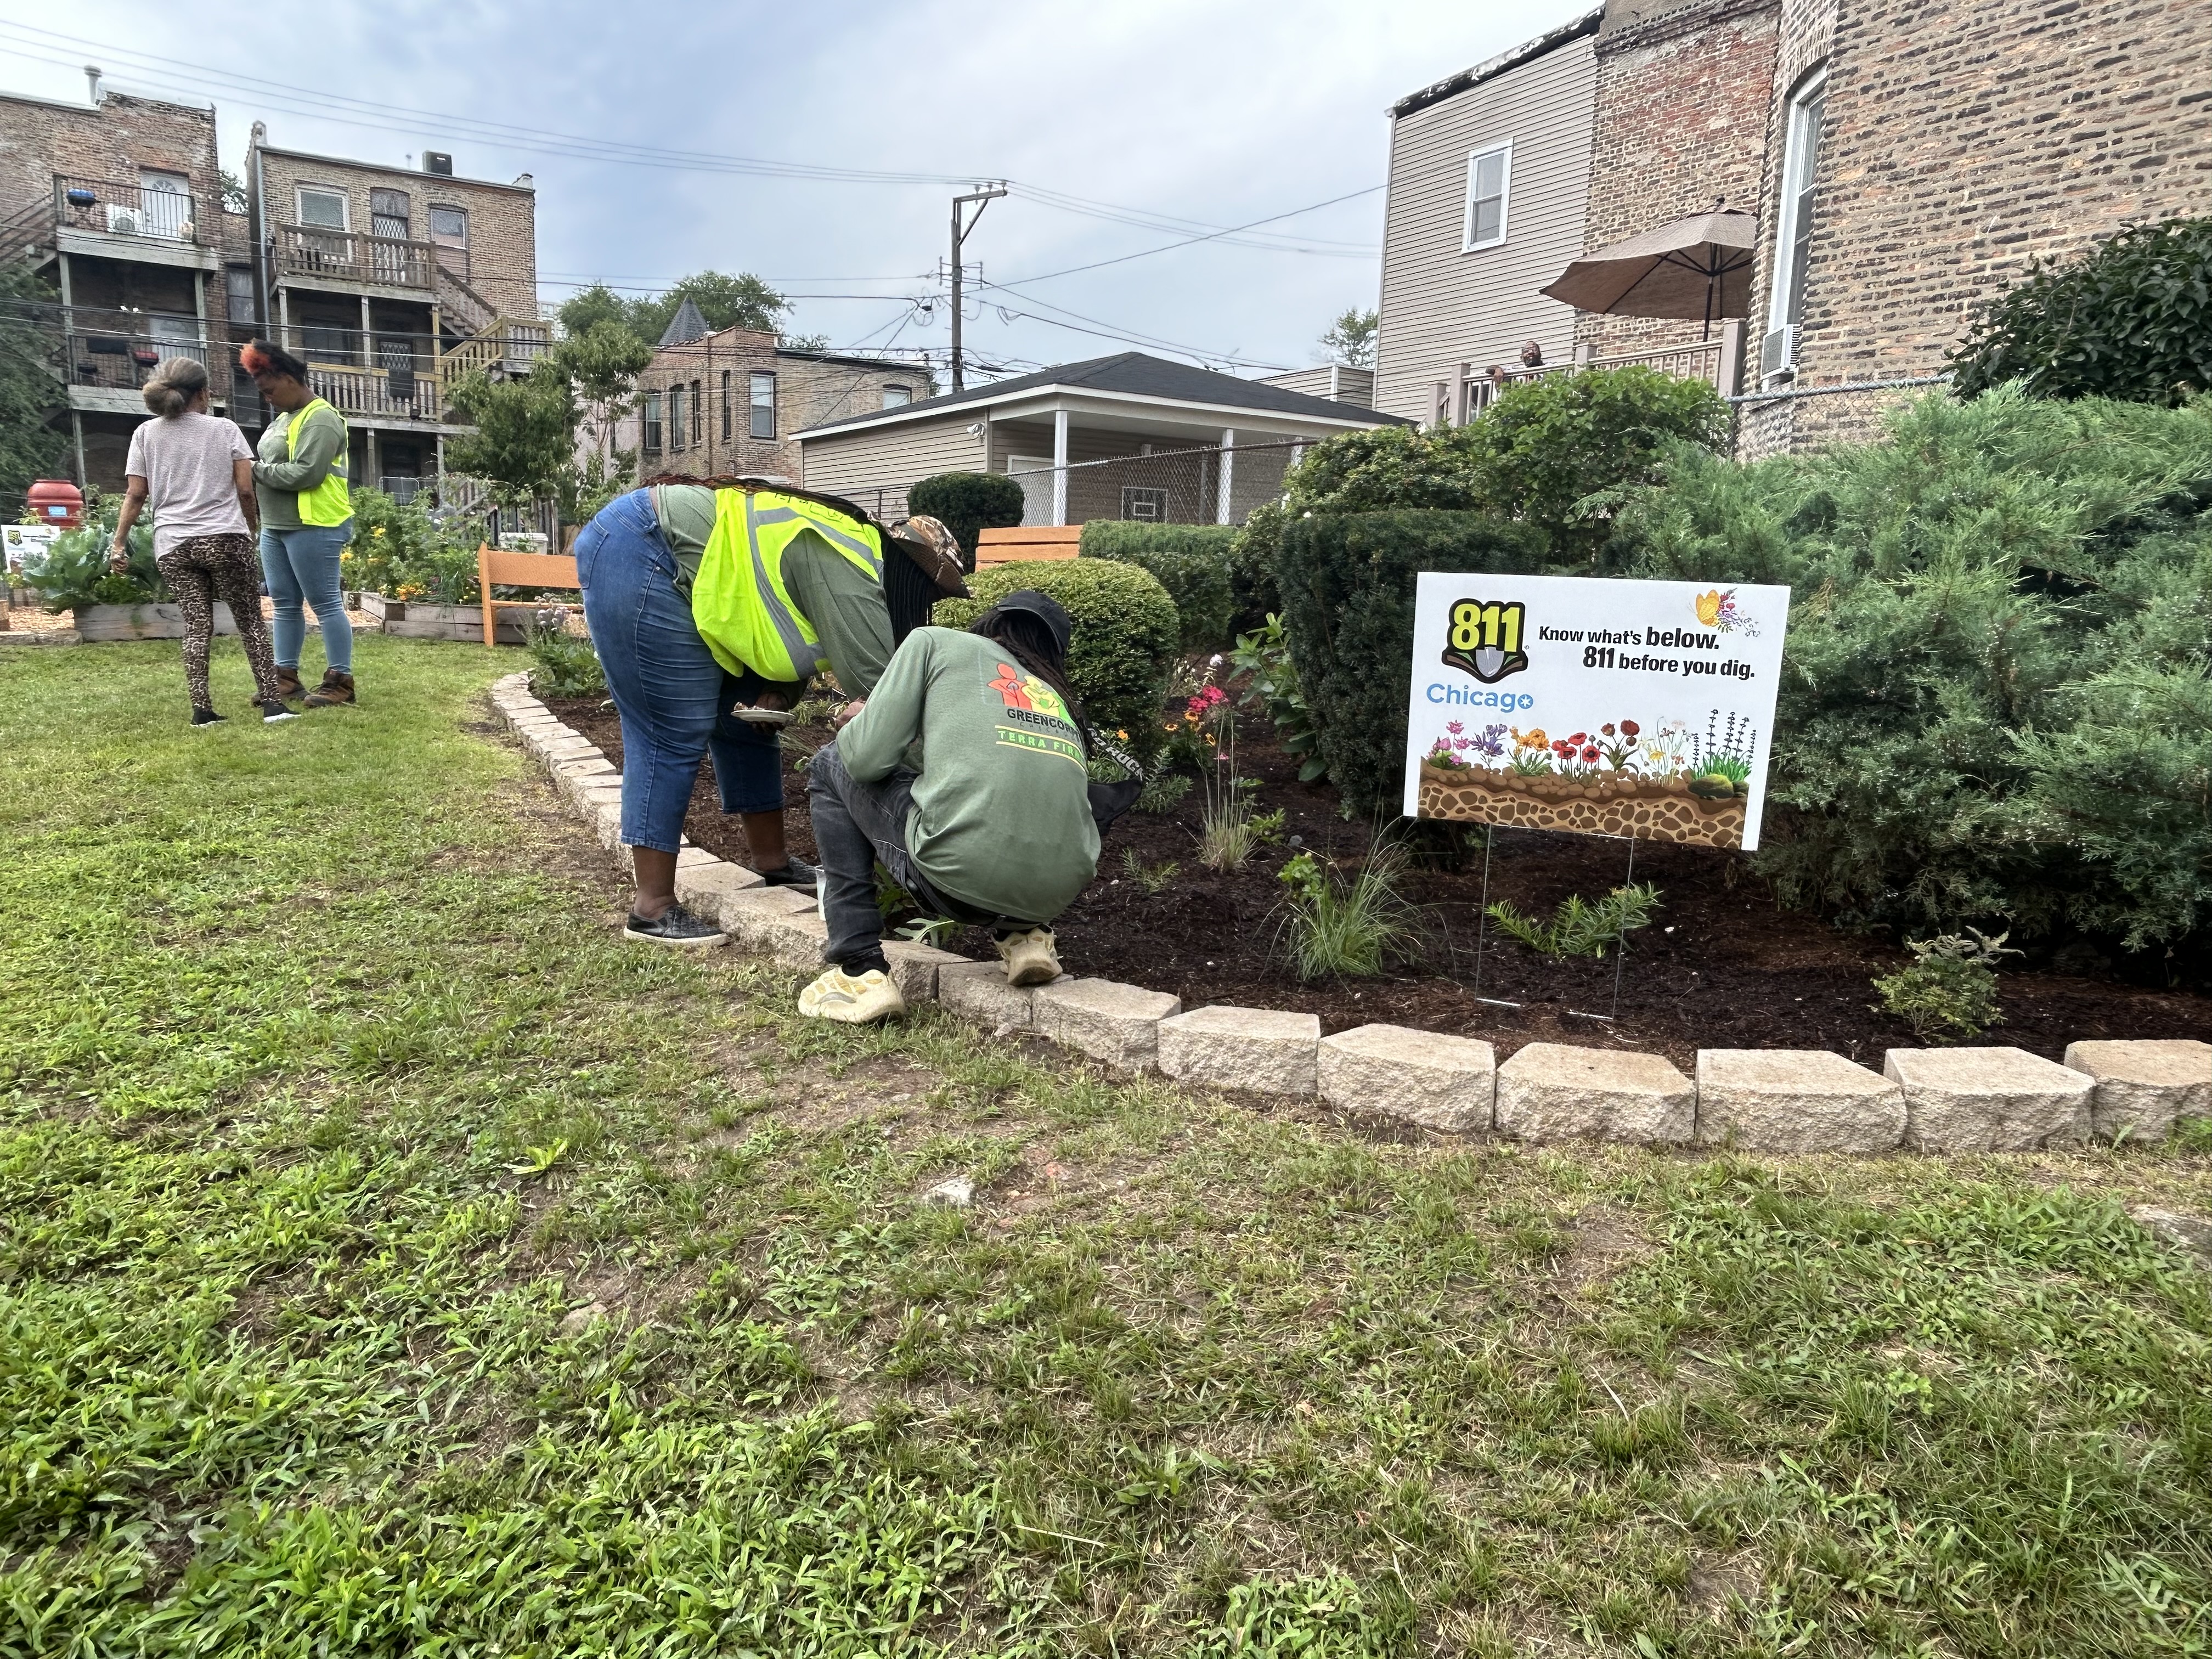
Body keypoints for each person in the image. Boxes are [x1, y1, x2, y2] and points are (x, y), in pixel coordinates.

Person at [570, 477, 964, 945]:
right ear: (911, 576)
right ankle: (651, 908)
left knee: (747, 724)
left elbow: (791, 616)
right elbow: (885, 704)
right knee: (671, 730)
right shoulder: (851, 568)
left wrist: (778, 693)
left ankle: (772, 863)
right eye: (930, 596)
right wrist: (955, 780)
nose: (927, 608)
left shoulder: (852, 556)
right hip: (645, 548)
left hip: (685, 566)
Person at [798, 590, 1103, 1024]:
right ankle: (1027, 937)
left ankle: (858, 969)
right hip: (1056, 894)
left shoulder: (934, 642)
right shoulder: (1056, 697)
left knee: (831, 761)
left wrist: (857, 728)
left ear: (991, 624)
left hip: (953, 875)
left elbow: (866, 760)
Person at [109, 357, 292, 727]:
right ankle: (273, 705)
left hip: (174, 545)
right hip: (224, 538)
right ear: (204, 393)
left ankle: (202, 711)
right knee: (250, 622)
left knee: (196, 627)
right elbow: (245, 489)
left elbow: (135, 494)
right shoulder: (224, 429)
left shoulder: (145, 434)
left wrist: (118, 545)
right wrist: (252, 528)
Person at [242, 340, 355, 708]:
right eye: (262, 393)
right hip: (277, 526)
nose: (267, 398)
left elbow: (307, 474)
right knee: (285, 604)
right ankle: (285, 678)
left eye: (270, 390)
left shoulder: (321, 418)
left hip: (314, 523)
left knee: (325, 603)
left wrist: (253, 470)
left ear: (290, 379)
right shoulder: (285, 418)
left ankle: (341, 681)